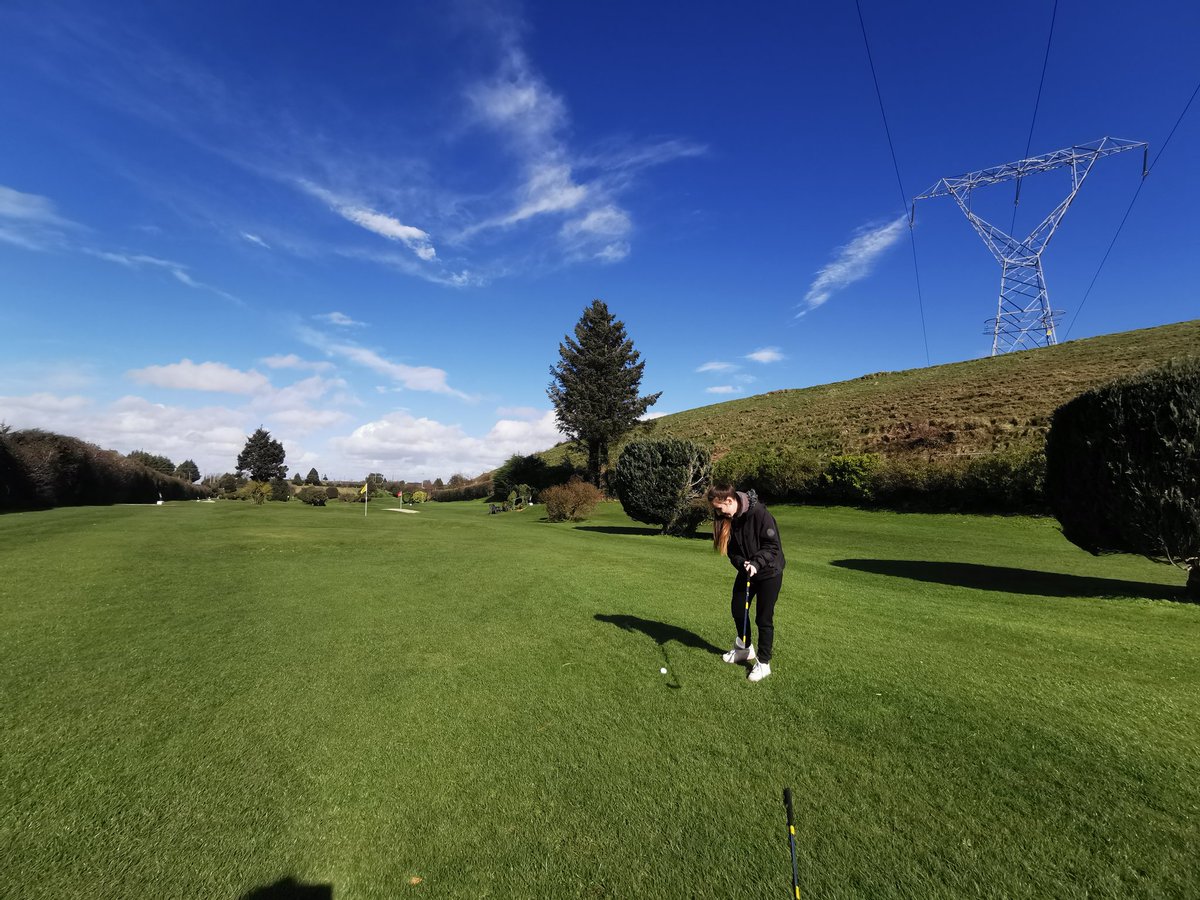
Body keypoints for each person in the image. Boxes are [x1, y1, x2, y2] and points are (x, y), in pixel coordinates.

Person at [707, 483, 786, 682]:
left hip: (769, 572)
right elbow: (732, 551)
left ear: (730, 501)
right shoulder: (730, 518)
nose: (718, 513)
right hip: (747, 570)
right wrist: (743, 563)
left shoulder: (759, 513)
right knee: (738, 608)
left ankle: (764, 663)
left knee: (763, 618)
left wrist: (757, 563)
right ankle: (744, 648)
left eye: (719, 508)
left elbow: (772, 546)